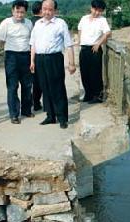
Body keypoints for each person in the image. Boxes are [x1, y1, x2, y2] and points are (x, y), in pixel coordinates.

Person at [30, 0, 76, 129]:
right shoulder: (38, 24)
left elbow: (68, 44)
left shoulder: (60, 24)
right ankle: (50, 116)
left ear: (55, 10)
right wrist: (32, 61)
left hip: (54, 58)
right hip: (40, 59)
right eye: (44, 9)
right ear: (41, 9)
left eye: (50, 9)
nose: (47, 12)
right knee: (45, 88)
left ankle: (62, 118)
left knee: (58, 88)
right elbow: (33, 44)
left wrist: (72, 64)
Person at [0, 0, 34, 124]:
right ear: (12, 10)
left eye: (22, 12)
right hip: (11, 56)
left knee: (27, 85)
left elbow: (32, 41)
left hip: (26, 55)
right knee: (12, 86)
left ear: (25, 12)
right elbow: (0, 41)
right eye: (17, 12)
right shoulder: (5, 23)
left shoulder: (29, 23)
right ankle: (14, 114)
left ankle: (26, 110)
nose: (19, 15)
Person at [78, 0, 111, 104]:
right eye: (96, 10)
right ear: (91, 8)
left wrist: (98, 44)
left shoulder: (102, 20)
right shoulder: (84, 18)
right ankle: (88, 94)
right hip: (84, 49)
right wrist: (79, 40)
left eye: (100, 11)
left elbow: (108, 33)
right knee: (84, 73)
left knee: (95, 74)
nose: (97, 12)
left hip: (95, 49)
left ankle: (98, 96)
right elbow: (79, 29)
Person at [30, 1, 43, 111]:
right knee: (38, 81)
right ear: (41, 10)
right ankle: (36, 102)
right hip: (38, 54)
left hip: (27, 53)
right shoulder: (41, 22)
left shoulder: (28, 22)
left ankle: (31, 102)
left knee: (30, 81)